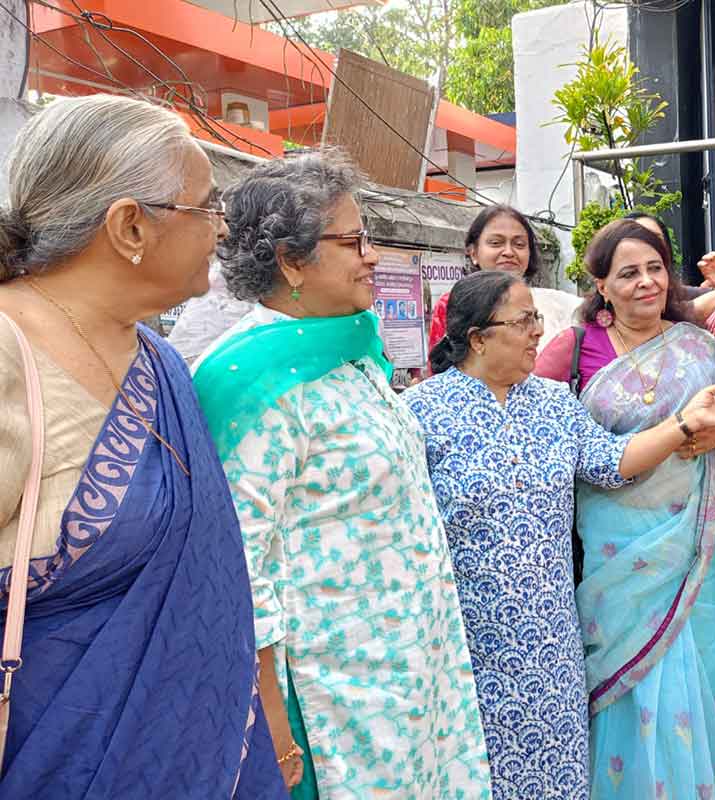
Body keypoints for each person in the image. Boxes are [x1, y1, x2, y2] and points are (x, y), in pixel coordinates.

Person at [0, 94, 285, 798]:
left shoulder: (160, 360)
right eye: (205, 207)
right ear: (130, 225)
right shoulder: (10, 355)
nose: (221, 228)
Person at [192, 152, 490, 798]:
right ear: (290, 259)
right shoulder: (248, 381)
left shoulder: (350, 353)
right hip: (340, 701)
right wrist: (272, 719)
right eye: (353, 241)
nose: (372, 255)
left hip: (414, 675)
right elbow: (242, 571)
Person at [402, 269, 715, 799]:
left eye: (536, 318)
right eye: (523, 321)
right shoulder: (420, 414)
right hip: (464, 636)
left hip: (551, 638)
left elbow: (613, 462)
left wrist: (685, 423)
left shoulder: (552, 403)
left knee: (559, 766)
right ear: (478, 338)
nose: (536, 332)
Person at [535, 220, 715, 799]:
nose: (646, 283)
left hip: (692, 550)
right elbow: (544, 436)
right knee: (631, 683)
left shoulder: (698, 345)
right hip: (615, 551)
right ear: (601, 285)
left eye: (655, 268)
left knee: (701, 674)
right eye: (628, 273)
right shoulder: (574, 349)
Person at [427, 204, 581, 354]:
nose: (509, 252)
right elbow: (440, 368)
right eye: (495, 243)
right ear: (473, 253)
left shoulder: (559, 306)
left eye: (519, 244)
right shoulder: (454, 304)